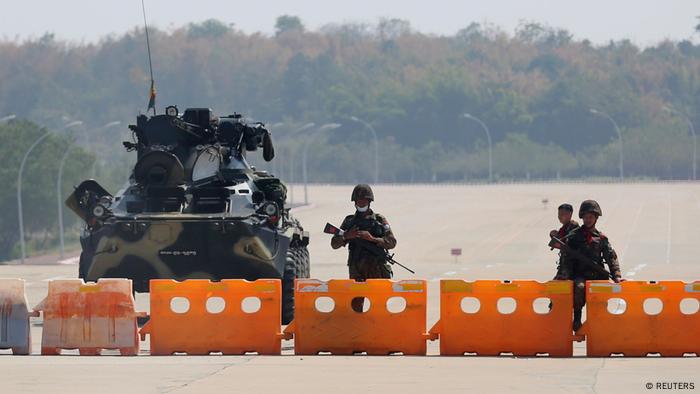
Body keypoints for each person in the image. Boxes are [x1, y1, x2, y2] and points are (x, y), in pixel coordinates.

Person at [330, 184, 397, 312]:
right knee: (355, 307)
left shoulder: (379, 220)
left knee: (379, 306)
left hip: (376, 268)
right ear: (354, 202)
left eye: (364, 201)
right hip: (357, 269)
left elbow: (392, 242)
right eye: (358, 201)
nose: (361, 203)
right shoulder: (349, 221)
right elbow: (334, 244)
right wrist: (346, 236)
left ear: (369, 202)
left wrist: (372, 239)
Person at [560, 200, 623, 331]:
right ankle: (577, 317)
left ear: (596, 218)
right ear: (582, 218)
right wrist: (564, 274)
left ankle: (601, 323)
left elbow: (611, 258)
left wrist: (617, 276)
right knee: (579, 288)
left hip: (598, 275)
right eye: (586, 217)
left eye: (591, 217)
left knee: (601, 295)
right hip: (580, 274)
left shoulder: (601, 238)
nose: (588, 220)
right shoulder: (574, 236)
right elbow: (566, 259)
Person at [549, 203, 580, 280]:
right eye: (559, 214)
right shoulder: (563, 228)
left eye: (563, 214)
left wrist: (557, 237)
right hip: (564, 266)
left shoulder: (573, 227)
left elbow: (567, 244)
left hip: (572, 267)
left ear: (570, 214)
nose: (560, 217)